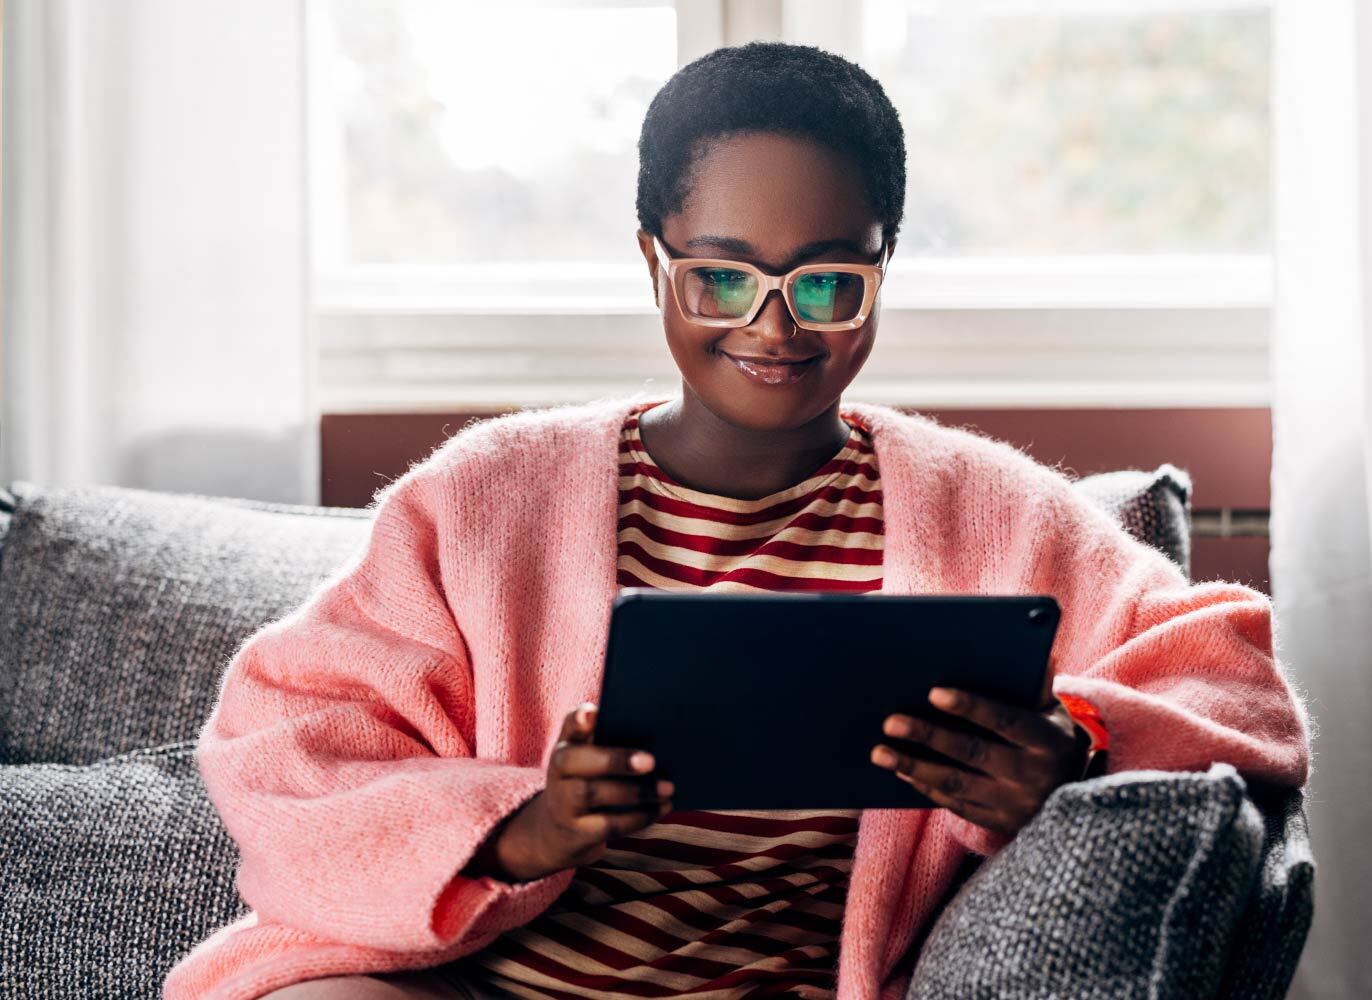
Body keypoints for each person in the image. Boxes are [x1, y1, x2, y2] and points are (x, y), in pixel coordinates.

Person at [164, 41, 1310, 1000]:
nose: (776, 328)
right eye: (721, 278)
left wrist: (1075, 751)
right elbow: (282, 742)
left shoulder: (990, 512)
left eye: (827, 283)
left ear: (882, 270)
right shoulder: (483, 496)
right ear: (651, 260)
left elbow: (1229, 672)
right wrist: (527, 825)